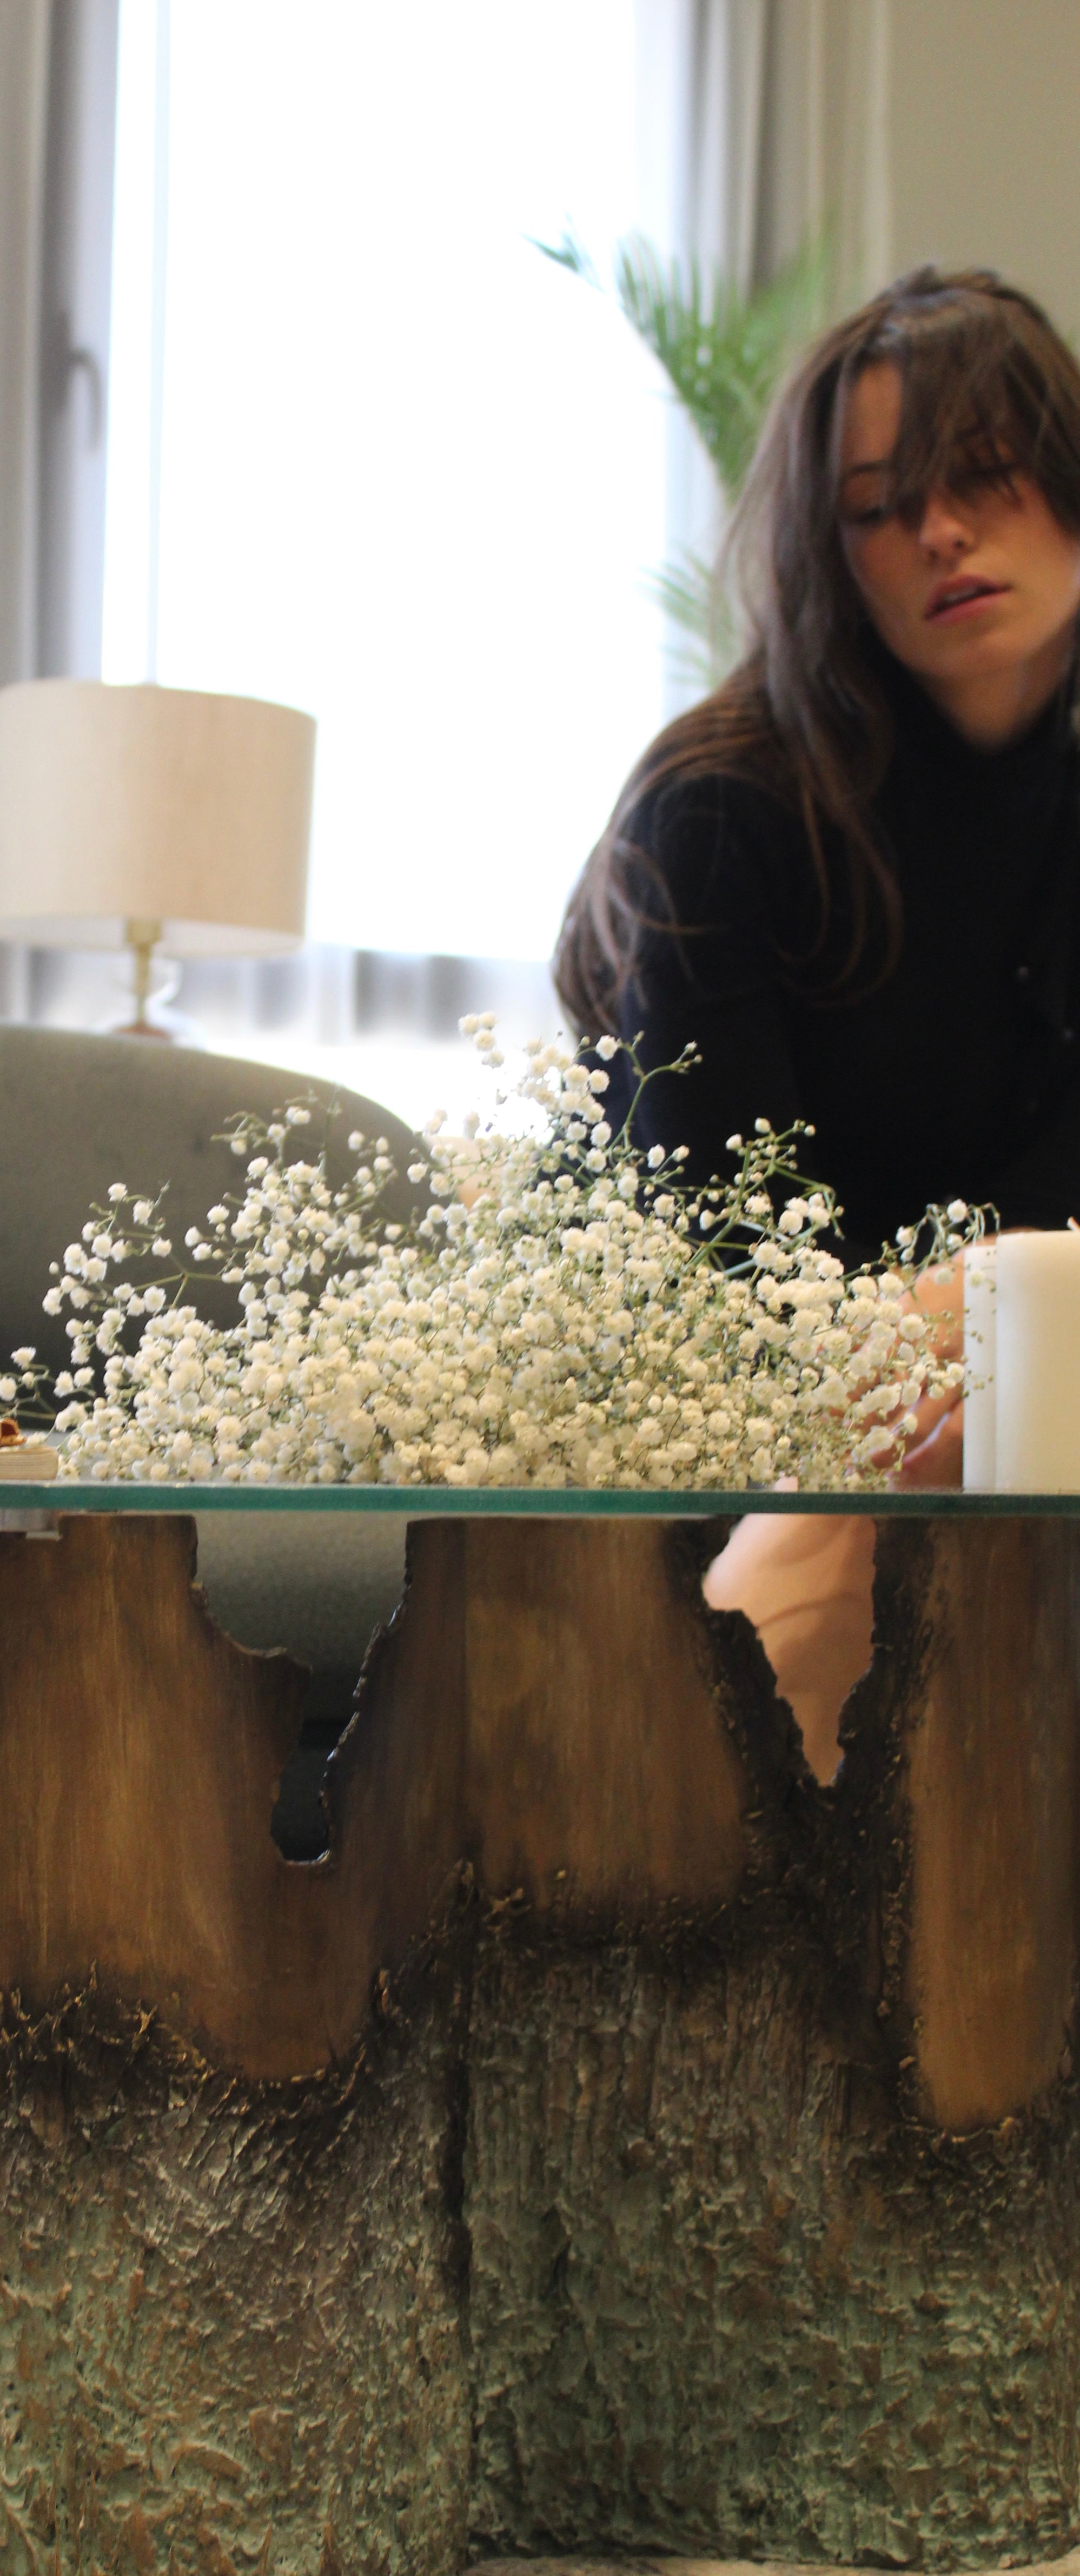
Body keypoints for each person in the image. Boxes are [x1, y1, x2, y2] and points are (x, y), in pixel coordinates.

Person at [553, 265, 1080, 1771]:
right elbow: (725, 1272)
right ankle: (722, 1822)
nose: (936, 532)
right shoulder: (719, 806)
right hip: (725, 1429)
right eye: (873, 504)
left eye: (981, 473)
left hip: (1010, 1424)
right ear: (824, 548)